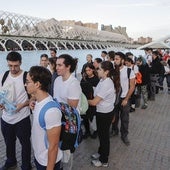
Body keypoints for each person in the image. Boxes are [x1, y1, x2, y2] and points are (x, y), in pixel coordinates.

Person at [26, 66, 63, 170]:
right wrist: (31, 100)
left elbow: (54, 146)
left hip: (47, 162)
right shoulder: (38, 102)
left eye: (27, 82)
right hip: (40, 157)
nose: (25, 84)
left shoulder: (51, 111)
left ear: (37, 84)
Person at [0, 52, 31, 170]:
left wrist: (23, 105)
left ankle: (26, 165)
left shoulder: (27, 76)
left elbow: (34, 97)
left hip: (22, 118)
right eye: (10, 66)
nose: (13, 68)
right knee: (9, 142)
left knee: (25, 144)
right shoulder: (3, 76)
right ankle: (11, 160)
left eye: (16, 66)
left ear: (21, 63)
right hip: (6, 118)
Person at [88, 61, 120, 167]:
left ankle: (104, 160)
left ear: (106, 71)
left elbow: (94, 102)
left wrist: (82, 100)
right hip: (102, 111)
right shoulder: (103, 80)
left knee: (104, 136)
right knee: (102, 135)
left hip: (104, 113)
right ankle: (101, 152)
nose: (97, 71)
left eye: (99, 69)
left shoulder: (107, 83)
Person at [53, 54, 82, 170]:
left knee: (67, 150)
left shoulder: (73, 83)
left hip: (70, 121)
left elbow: (71, 108)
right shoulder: (57, 80)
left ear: (68, 67)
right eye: (56, 65)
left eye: (60, 65)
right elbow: (55, 99)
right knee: (58, 146)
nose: (57, 67)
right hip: (59, 118)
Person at [111, 52, 135, 146]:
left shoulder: (129, 71)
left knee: (125, 118)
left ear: (122, 60)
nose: (115, 60)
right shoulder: (113, 71)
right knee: (114, 116)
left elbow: (132, 87)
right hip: (114, 98)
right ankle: (114, 130)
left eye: (117, 59)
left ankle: (124, 135)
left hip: (125, 98)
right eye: (114, 59)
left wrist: (126, 99)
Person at [80, 63, 99, 139]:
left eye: (89, 70)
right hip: (84, 101)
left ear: (93, 70)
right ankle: (87, 131)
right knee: (85, 117)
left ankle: (96, 131)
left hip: (93, 101)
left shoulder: (96, 79)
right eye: (86, 70)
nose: (88, 72)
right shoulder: (84, 79)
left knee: (93, 117)